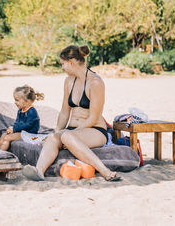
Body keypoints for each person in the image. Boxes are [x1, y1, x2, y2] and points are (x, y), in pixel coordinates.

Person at [22, 45, 120, 182]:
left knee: (67, 136)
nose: (62, 68)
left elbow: (94, 117)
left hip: (94, 130)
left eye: (63, 64)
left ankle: (105, 171)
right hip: (72, 130)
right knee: (53, 137)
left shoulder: (95, 83)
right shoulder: (68, 81)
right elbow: (64, 111)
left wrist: (68, 135)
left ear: (72, 62)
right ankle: (39, 172)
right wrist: (57, 132)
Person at [0, 85, 44, 151]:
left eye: (17, 100)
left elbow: (28, 125)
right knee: (4, 135)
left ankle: (0, 153)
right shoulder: (20, 111)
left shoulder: (32, 111)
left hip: (29, 134)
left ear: (27, 101)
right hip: (22, 132)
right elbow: (17, 122)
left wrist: (15, 129)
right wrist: (12, 129)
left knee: (8, 138)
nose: (15, 102)